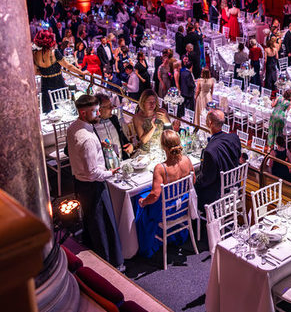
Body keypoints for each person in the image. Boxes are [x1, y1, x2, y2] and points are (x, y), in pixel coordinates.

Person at [66, 95, 123, 268]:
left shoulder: (72, 127)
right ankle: (109, 264)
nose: (98, 113)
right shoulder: (88, 139)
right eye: (95, 111)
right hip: (93, 186)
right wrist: (110, 172)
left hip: (80, 184)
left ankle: (97, 258)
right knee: (103, 226)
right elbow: (92, 173)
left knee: (92, 222)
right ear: (83, 113)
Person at [134, 130, 196, 258]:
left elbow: (155, 195)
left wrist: (142, 202)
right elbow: (193, 181)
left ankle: (145, 248)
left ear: (163, 147)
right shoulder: (187, 160)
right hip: (183, 207)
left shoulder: (161, 168)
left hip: (167, 212)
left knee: (139, 201)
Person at [196, 110, 242, 209]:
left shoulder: (210, 150)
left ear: (210, 123)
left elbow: (207, 179)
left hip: (218, 196)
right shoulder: (234, 138)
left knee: (193, 190)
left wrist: (195, 181)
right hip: (234, 187)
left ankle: (197, 222)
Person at [32, 30, 81, 113]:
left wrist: (45, 73)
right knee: (63, 108)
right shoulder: (55, 53)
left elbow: (35, 72)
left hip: (45, 84)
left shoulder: (35, 55)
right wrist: (81, 73)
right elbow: (69, 66)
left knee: (48, 109)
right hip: (58, 83)